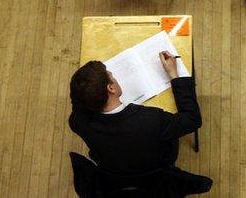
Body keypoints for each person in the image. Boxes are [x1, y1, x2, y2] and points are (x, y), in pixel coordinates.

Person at [68, 53, 212, 195]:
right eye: (112, 76)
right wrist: (174, 74)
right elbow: (192, 119)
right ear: (111, 89)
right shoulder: (152, 120)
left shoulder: (77, 122)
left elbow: (77, 104)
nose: (114, 78)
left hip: (114, 174)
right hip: (158, 169)